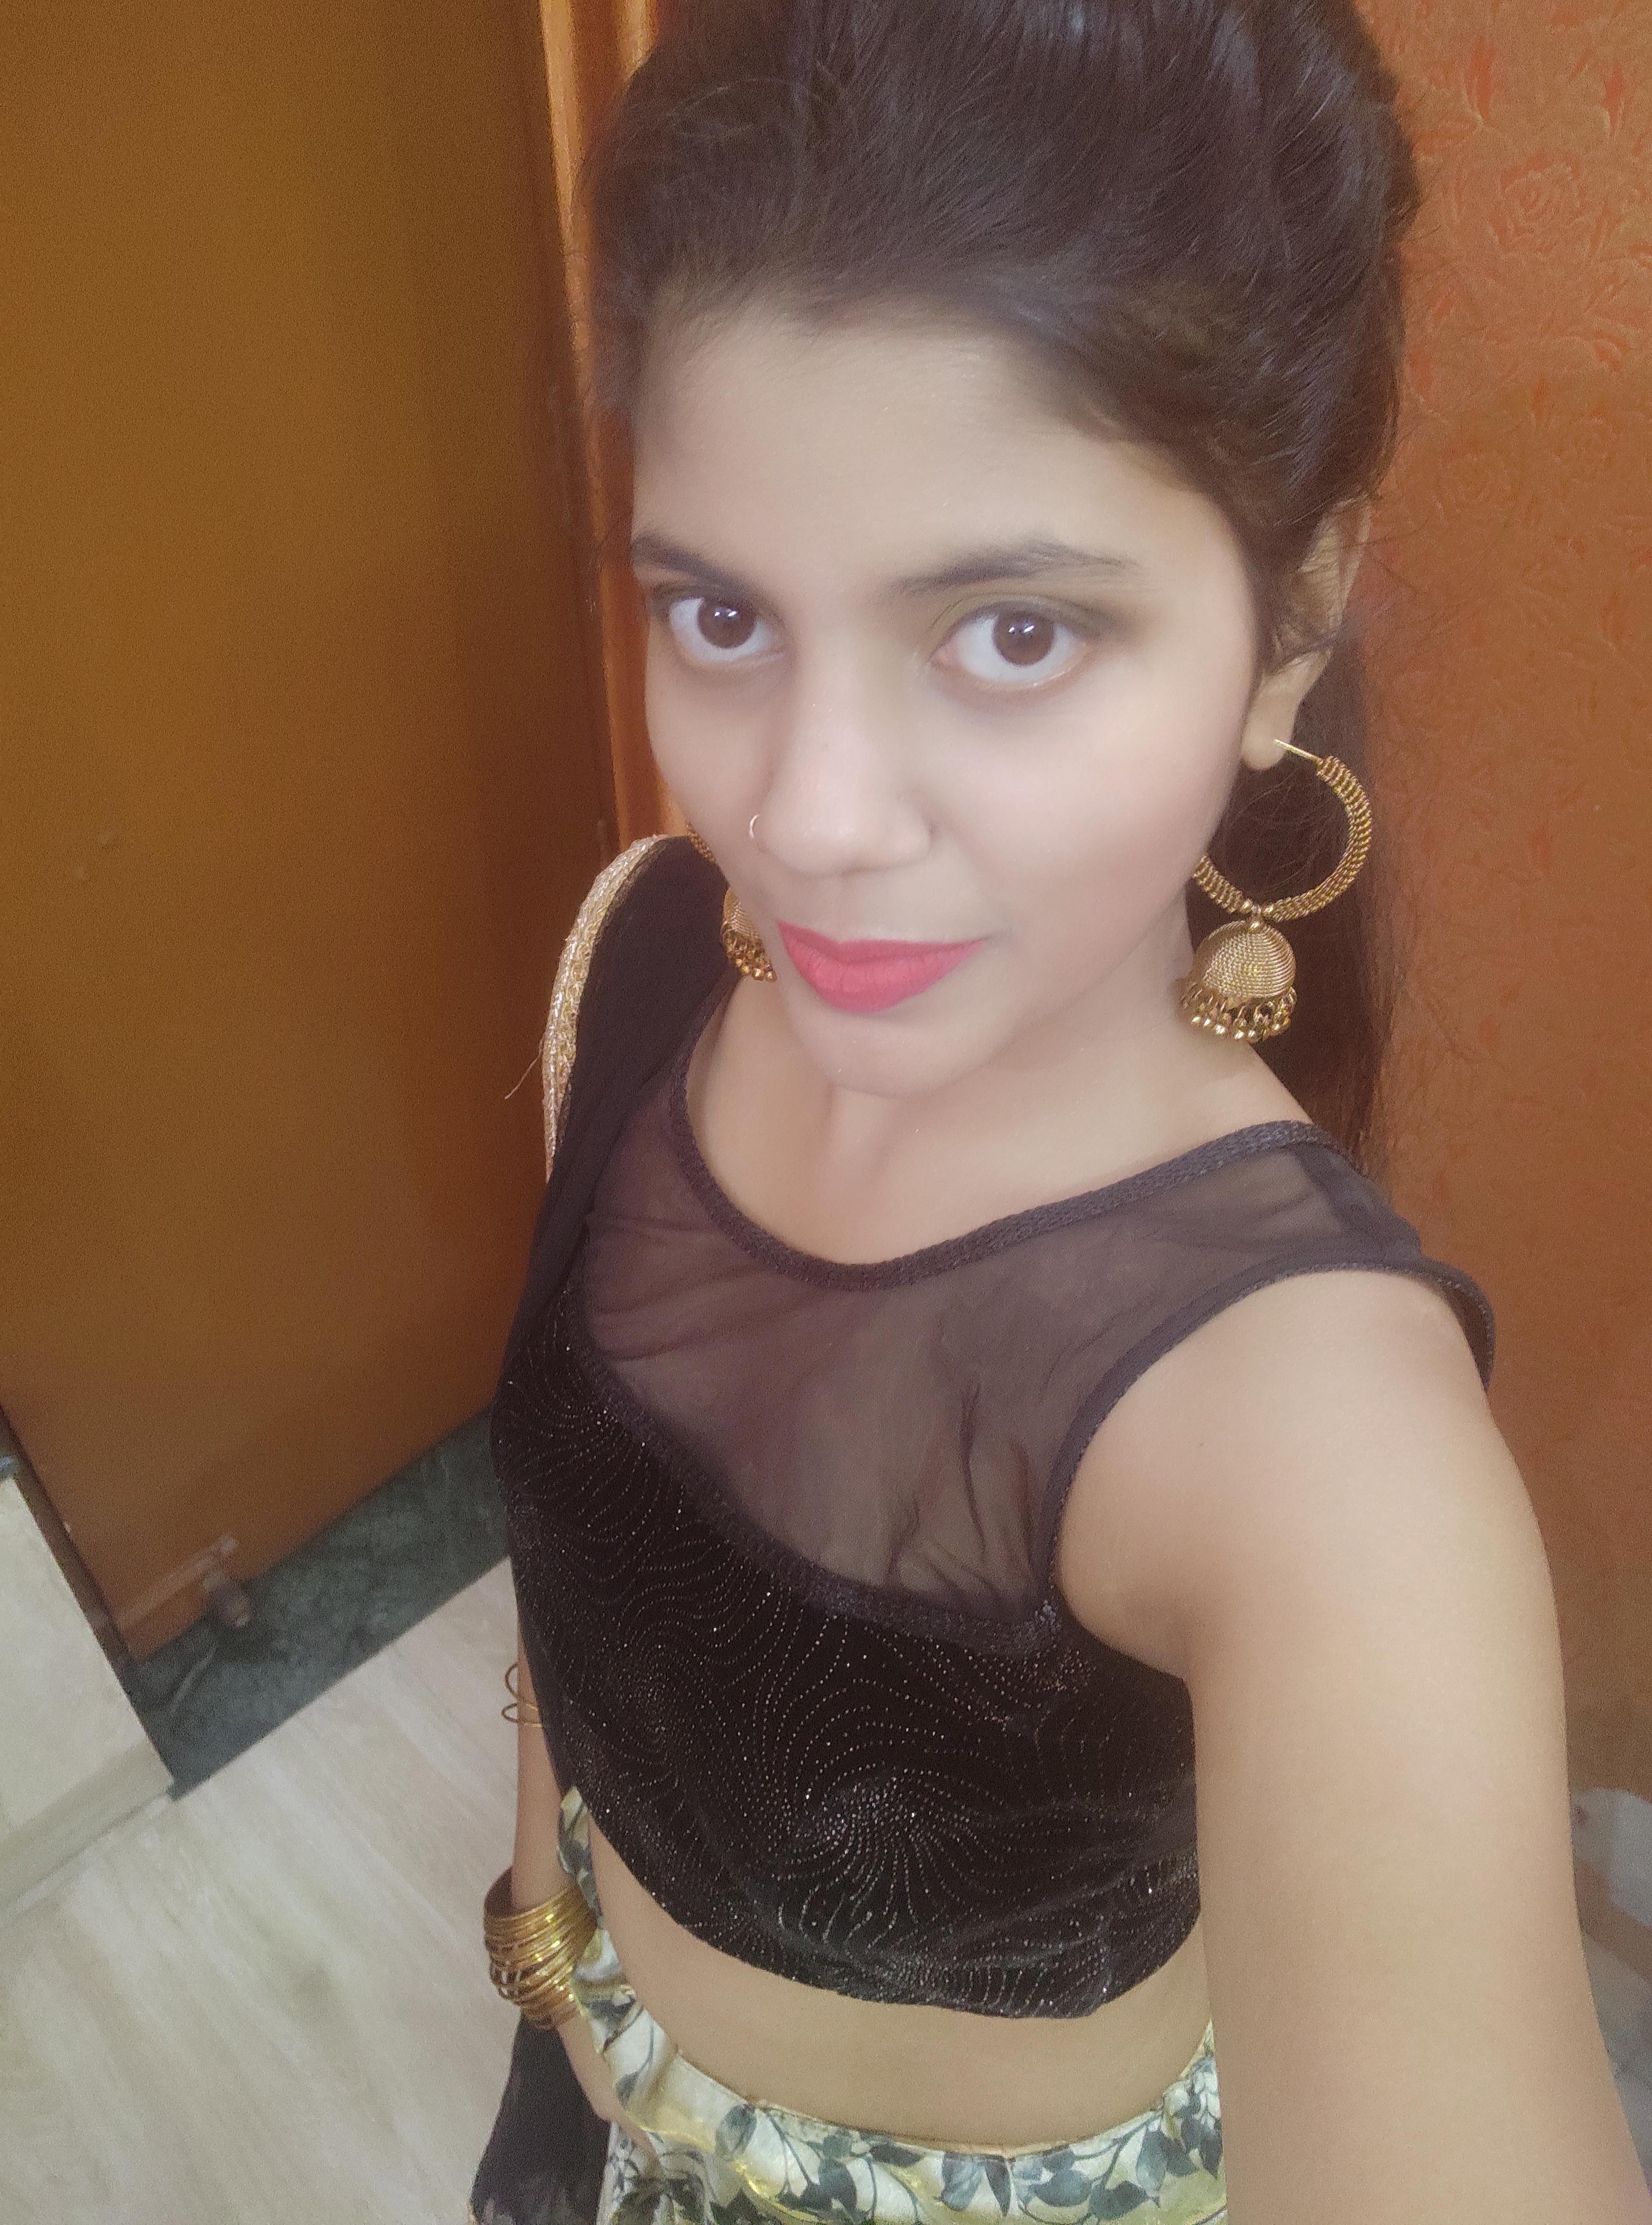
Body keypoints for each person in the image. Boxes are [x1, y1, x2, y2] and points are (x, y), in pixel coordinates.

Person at [469, 3, 1652, 2221]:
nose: (804, 818)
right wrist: (546, 1948)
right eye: (720, 612)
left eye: (1010, 633)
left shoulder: (1321, 1458)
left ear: (1290, 626)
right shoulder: (641, 960)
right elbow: (578, 1576)